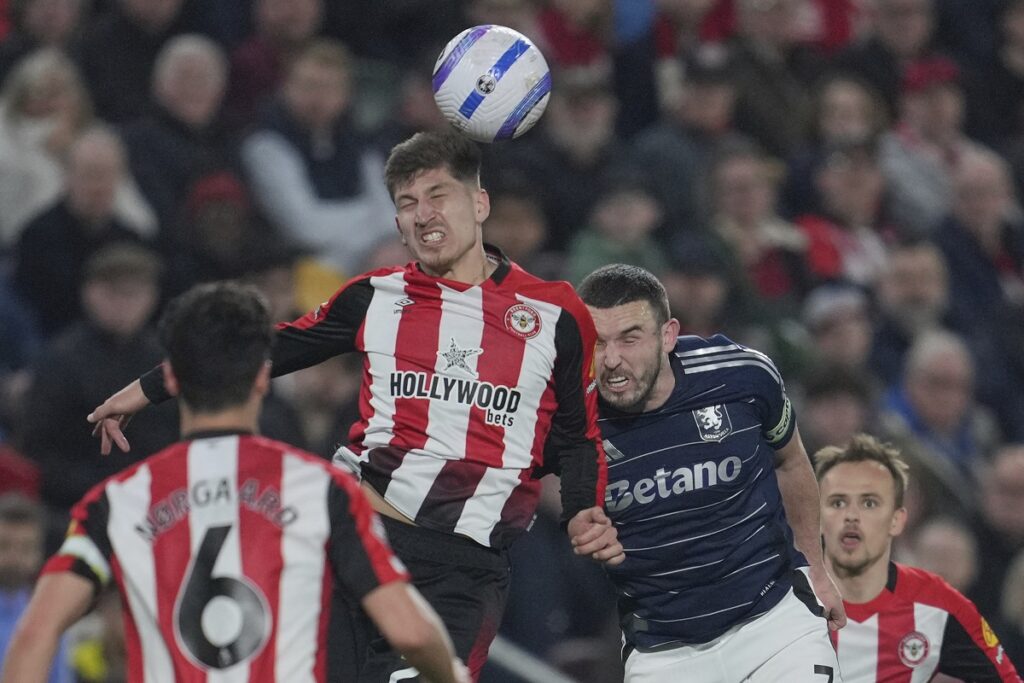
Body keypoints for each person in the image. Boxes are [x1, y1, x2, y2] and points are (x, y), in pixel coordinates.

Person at [87, 130, 623, 681]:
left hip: (465, 571)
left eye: (438, 195)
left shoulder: (555, 313)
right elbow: (265, 349)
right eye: (407, 204)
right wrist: (150, 387)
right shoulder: (375, 297)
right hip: (362, 544)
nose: (422, 214)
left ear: (479, 203)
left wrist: (585, 508)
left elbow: (579, 435)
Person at [2, 282, 468, 683]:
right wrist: (451, 673)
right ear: (263, 377)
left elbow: (35, 632)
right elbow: (410, 630)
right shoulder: (322, 492)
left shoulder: (119, 500)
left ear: (174, 379)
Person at [576, 263, 844, 681]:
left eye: (630, 338)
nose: (612, 360)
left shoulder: (744, 376)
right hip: (662, 652)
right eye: (598, 342)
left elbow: (790, 461)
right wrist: (578, 520)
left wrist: (816, 568)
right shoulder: (568, 416)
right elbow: (526, 490)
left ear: (668, 335)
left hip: (775, 627)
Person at [816, 433, 1021, 681]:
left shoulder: (939, 603)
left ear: (897, 518)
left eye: (869, 503)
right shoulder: (777, 597)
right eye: (838, 502)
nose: (852, 516)